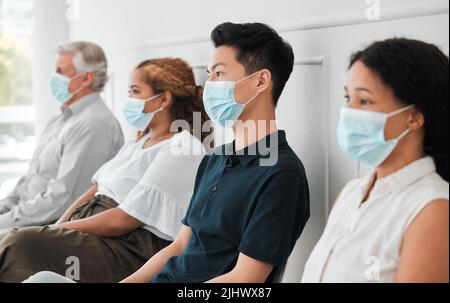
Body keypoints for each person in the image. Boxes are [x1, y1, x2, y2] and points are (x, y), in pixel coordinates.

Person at [120, 22, 310, 283]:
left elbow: (246, 279)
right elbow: (179, 246)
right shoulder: (213, 159)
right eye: (209, 74)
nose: (209, 85)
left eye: (218, 74)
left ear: (261, 80)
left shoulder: (282, 174)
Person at [0, 58, 208, 283]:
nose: (129, 100)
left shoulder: (182, 147)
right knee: (14, 239)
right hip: (93, 228)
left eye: (135, 92)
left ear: (164, 99)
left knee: (20, 243)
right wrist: (57, 227)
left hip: (125, 246)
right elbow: (95, 189)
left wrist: (55, 230)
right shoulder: (137, 144)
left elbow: (124, 219)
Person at [302, 38, 449, 283]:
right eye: (348, 98)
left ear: (413, 117)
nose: (350, 112)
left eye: (365, 101)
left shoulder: (433, 209)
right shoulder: (351, 193)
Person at [0, 41, 124, 230]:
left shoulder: (93, 125)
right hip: (22, 222)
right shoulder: (60, 121)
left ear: (86, 78)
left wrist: (5, 222)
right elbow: (30, 181)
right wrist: (4, 211)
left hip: (42, 231)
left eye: (60, 71)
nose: (53, 77)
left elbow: (61, 201)